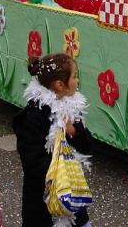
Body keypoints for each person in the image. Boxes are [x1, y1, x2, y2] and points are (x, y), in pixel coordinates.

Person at [13, 52, 93, 227]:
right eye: (74, 77)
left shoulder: (72, 110)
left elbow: (88, 146)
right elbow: (32, 161)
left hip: (73, 203)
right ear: (60, 85)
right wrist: (61, 171)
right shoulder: (32, 116)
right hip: (43, 206)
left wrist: (74, 131)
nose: (77, 81)